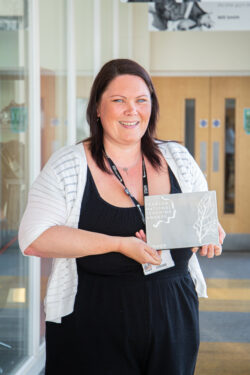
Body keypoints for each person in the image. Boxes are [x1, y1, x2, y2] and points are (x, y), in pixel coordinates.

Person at [18, 59, 225, 375]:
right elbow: (33, 239)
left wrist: (210, 231)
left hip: (174, 316)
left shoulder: (178, 158)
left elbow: (201, 220)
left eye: (142, 100)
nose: (133, 110)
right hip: (93, 321)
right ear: (98, 109)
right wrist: (118, 244)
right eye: (119, 100)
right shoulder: (68, 166)